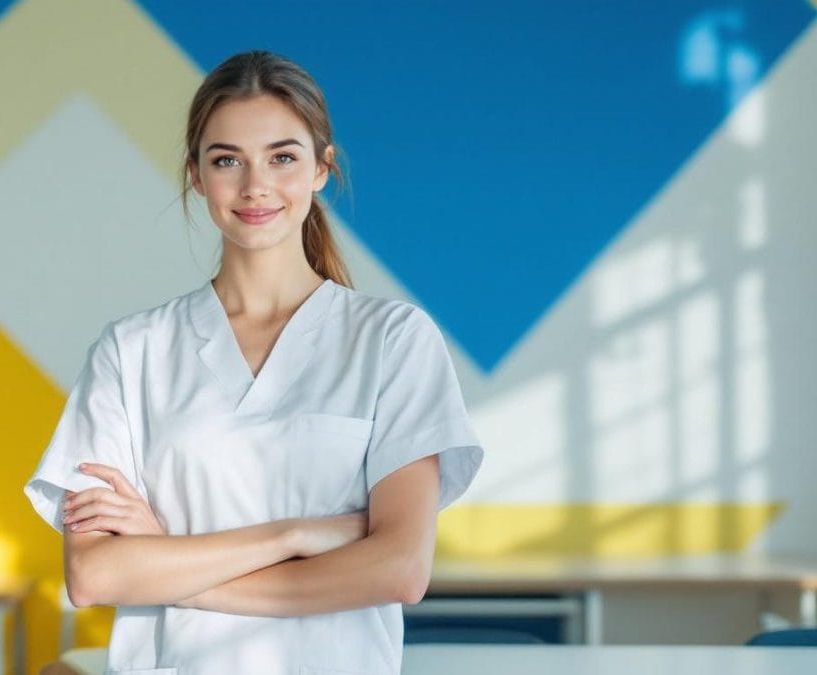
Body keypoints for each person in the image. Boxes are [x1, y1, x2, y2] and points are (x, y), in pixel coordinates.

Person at [25, 50, 484, 675]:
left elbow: (399, 569)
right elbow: (96, 575)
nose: (255, 186)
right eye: (226, 160)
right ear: (195, 174)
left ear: (322, 168)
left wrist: (165, 564)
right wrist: (295, 535)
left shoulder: (393, 341)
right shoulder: (131, 351)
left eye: (282, 157)